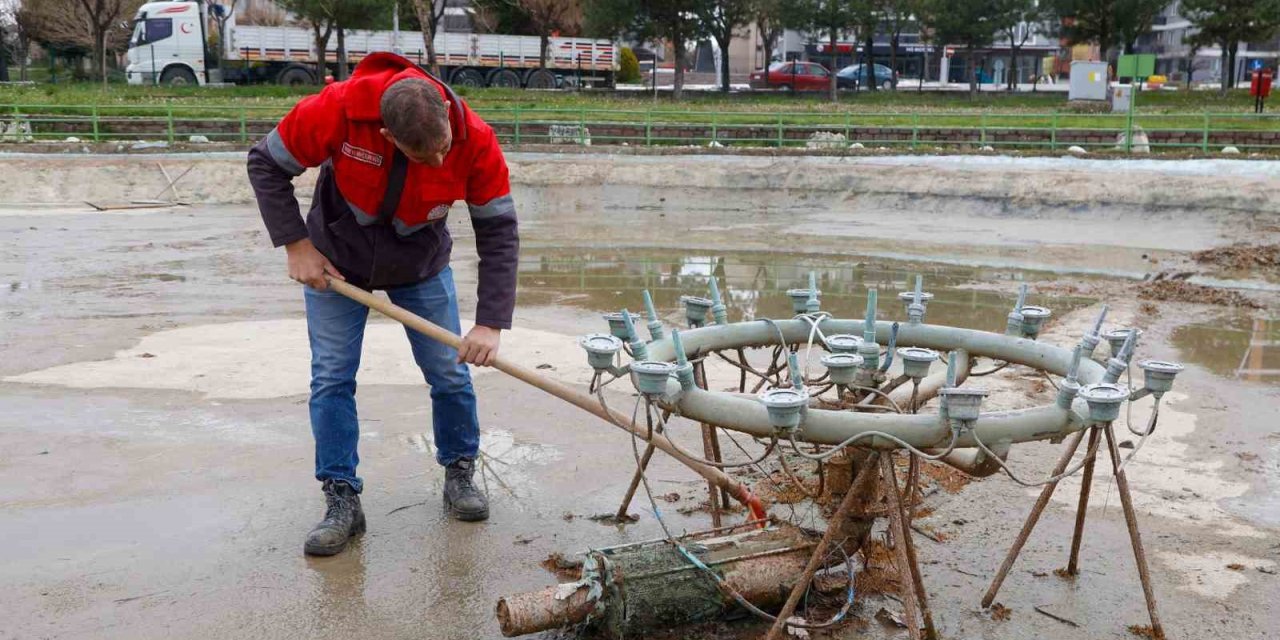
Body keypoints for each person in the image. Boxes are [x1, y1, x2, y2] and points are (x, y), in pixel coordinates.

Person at [246, 52, 519, 556]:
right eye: (424, 157)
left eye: (443, 150)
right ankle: (341, 497)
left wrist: (490, 323)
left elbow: (498, 230)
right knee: (331, 377)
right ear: (388, 138)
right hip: (336, 259)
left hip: (421, 262)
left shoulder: (475, 138)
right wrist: (296, 244)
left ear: (447, 116)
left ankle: (460, 472)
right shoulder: (338, 109)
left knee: (450, 371)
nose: (439, 164)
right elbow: (265, 162)